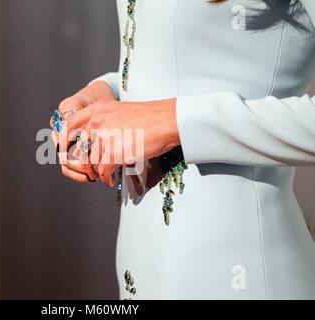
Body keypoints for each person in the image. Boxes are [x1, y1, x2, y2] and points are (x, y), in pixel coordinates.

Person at [50, 0, 315, 299]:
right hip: (140, 266)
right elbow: (180, 59)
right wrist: (107, 93)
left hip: (239, 271)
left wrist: (175, 121)